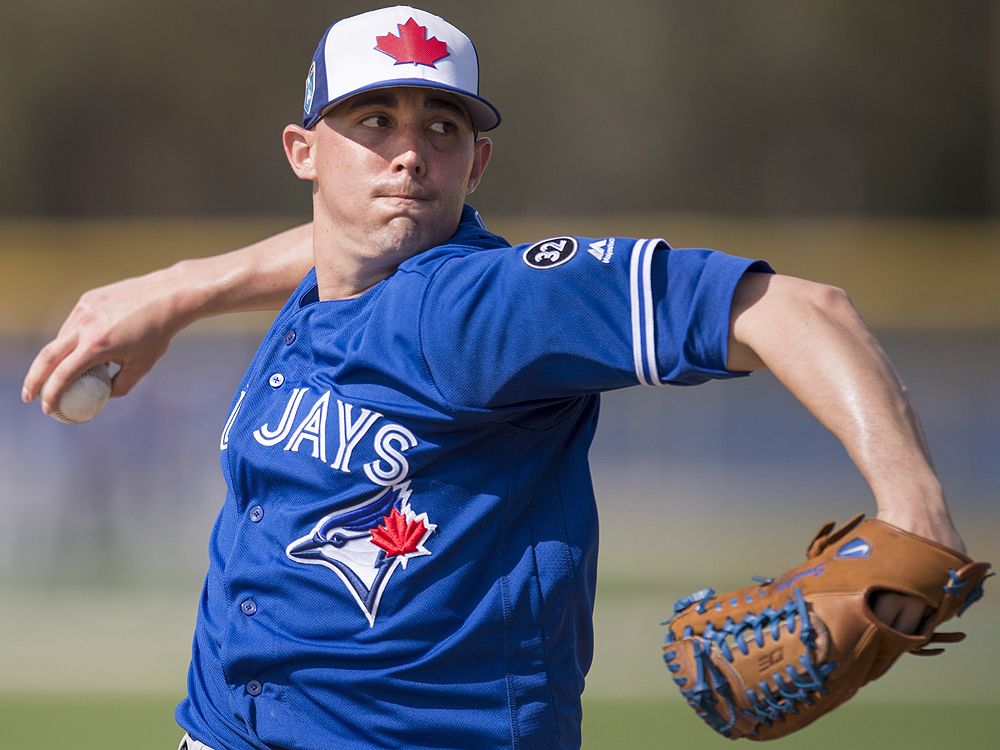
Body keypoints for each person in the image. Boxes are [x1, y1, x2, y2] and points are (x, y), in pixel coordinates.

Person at [22, 6, 966, 750]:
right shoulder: (330, 284)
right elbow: (331, 247)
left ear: (476, 163)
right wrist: (178, 290)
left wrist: (912, 510)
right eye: (373, 120)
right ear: (303, 153)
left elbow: (802, 310)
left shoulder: (485, 309)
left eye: (441, 126)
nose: (407, 152)